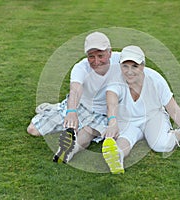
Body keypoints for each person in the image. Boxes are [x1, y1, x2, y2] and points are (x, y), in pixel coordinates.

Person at [101, 45, 180, 174]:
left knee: (161, 145)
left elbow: (173, 110)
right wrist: (112, 122)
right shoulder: (115, 80)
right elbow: (111, 104)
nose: (129, 71)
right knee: (124, 139)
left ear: (143, 66)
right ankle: (117, 156)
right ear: (120, 65)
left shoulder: (155, 80)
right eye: (125, 66)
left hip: (153, 117)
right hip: (128, 120)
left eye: (134, 66)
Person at [27, 32, 121, 163]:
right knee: (33, 130)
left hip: (103, 113)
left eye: (101, 56)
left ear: (110, 53)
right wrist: (71, 112)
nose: (96, 61)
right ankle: (54, 109)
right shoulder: (80, 67)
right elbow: (75, 90)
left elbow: (144, 71)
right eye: (91, 56)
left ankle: (68, 151)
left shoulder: (122, 60)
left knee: (88, 132)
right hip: (80, 105)